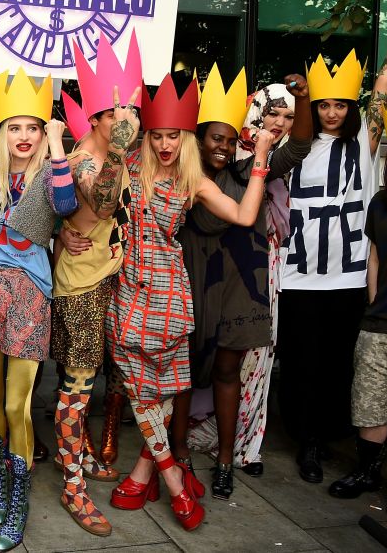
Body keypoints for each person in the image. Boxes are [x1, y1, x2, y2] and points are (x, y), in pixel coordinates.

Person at [106, 73, 272, 532]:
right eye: (157, 135)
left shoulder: (193, 181)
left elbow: (245, 214)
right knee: (143, 389)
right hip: (129, 288)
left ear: (185, 138)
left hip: (169, 292)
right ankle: (170, 476)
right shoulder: (128, 166)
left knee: (160, 388)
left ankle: (148, 475)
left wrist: (258, 160)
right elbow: (96, 197)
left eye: (173, 136)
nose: (164, 144)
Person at [170, 68, 312, 500]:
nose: (224, 146)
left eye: (231, 139)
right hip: (190, 288)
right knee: (182, 377)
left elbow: (300, 146)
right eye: (216, 138)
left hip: (237, 289)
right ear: (198, 139)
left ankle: (226, 460)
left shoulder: (251, 171)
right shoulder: (178, 179)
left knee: (227, 373)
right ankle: (176, 457)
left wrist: (303, 100)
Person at [0, 67, 77, 550]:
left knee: (17, 403)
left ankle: (19, 499)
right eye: (16, 127)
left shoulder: (51, 175)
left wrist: (58, 145)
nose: (25, 135)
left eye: (34, 127)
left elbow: (68, 202)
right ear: (1, 133)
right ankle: (1, 477)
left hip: (30, 296)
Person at [278, 50, 386, 483]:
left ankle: (327, 436)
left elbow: (378, 102)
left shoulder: (363, 143)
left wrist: (383, 75)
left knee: (339, 363)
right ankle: (305, 442)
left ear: (350, 107)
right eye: (325, 104)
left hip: (348, 275)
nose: (332, 112)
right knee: (301, 362)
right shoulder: (296, 145)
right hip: (299, 274)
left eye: (340, 104)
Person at [53, 35, 142, 536]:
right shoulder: (88, 155)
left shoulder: (117, 149)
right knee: (75, 390)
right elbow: (103, 202)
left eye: (130, 109)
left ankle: (81, 457)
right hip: (82, 288)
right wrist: (117, 154)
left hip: (103, 280)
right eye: (114, 113)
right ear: (95, 118)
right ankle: (72, 486)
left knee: (85, 382)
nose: (125, 119)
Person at [329, 152, 387, 499]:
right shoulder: (380, 202)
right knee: (370, 401)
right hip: (379, 321)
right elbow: (376, 256)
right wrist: (373, 301)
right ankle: (367, 471)